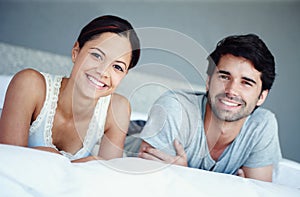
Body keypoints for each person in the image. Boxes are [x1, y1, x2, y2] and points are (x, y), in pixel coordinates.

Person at [138, 34, 281, 182]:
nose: (231, 90)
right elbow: (149, 186)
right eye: (224, 77)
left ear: (262, 96)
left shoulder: (262, 125)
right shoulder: (175, 108)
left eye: (246, 83)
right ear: (208, 82)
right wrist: (232, 188)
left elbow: (258, 194)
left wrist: (182, 175)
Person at [0, 15, 140, 162]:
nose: (103, 72)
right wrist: (87, 162)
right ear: (76, 52)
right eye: (97, 55)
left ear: (124, 75)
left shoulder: (117, 109)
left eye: (117, 67)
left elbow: (107, 176)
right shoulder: (30, 85)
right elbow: (10, 162)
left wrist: (54, 158)